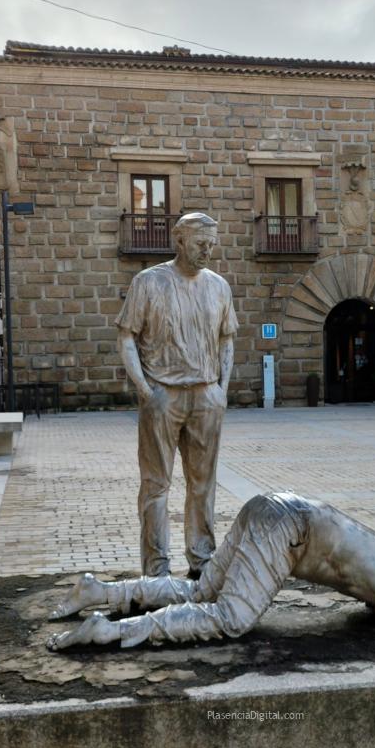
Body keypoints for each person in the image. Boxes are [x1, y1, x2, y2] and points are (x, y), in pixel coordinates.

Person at [47, 492, 375, 651]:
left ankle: (102, 592)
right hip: (291, 530)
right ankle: (111, 629)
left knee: (200, 593)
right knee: (229, 617)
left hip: (269, 505)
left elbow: (361, 588)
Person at [116, 213, 238, 579]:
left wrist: (221, 390)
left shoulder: (218, 287)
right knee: (156, 484)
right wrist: (144, 390)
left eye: (212, 244)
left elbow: (226, 339)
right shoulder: (149, 282)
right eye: (201, 244)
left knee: (204, 484)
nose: (207, 251)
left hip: (206, 396)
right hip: (163, 396)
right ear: (179, 240)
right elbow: (126, 337)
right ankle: (156, 568)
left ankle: (202, 560)